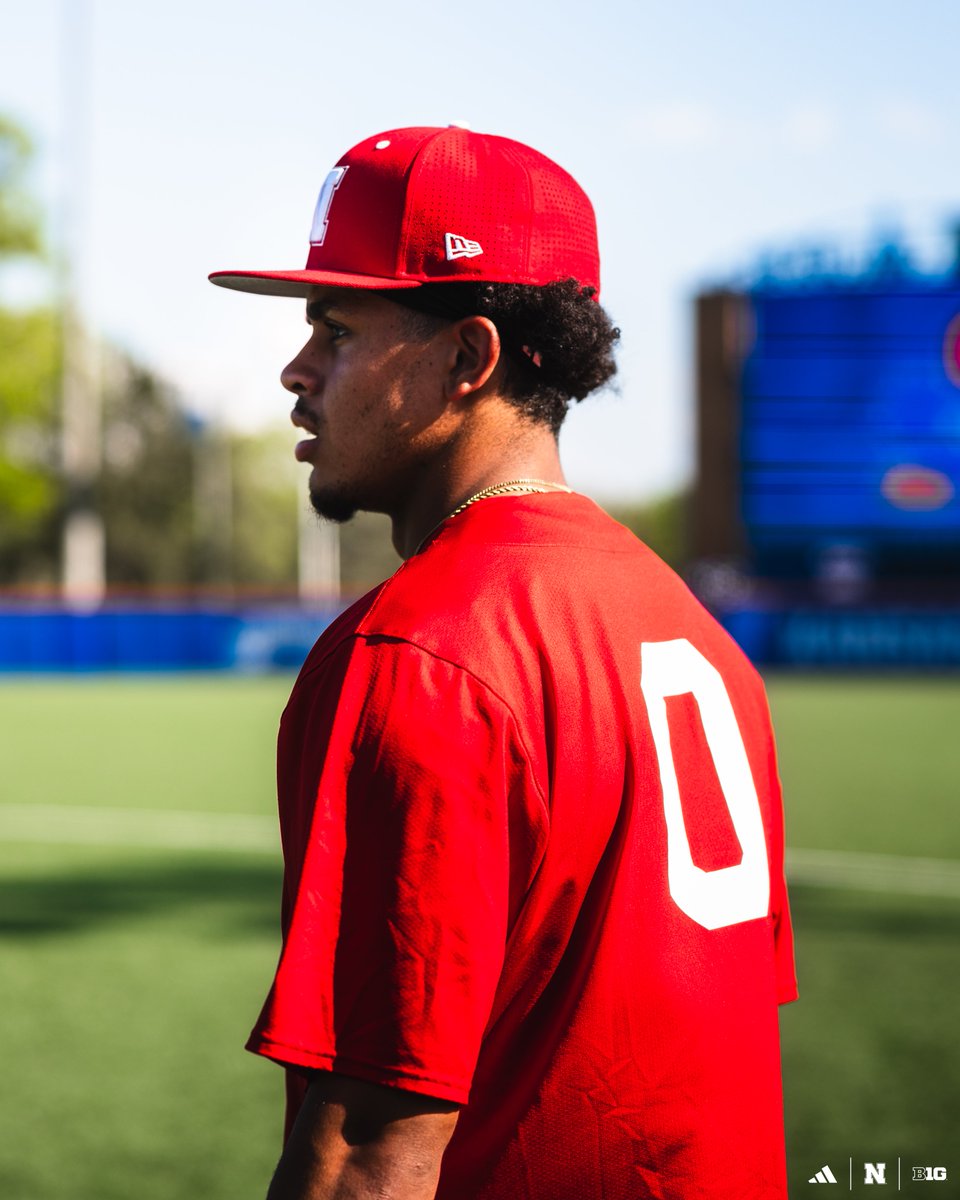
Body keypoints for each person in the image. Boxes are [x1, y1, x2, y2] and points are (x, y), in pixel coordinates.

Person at [209, 124, 797, 1200]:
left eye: (336, 328)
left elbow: (371, 1155)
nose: (296, 372)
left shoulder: (418, 650)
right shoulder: (698, 635)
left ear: (470, 358)